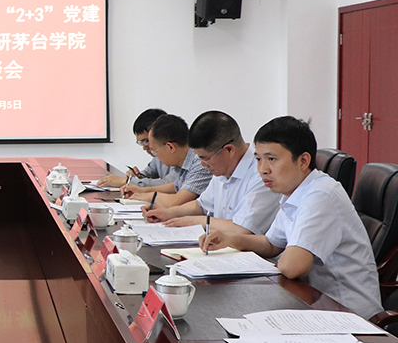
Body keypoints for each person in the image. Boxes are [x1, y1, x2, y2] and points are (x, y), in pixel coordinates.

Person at [202, 116, 382, 319]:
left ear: (303, 161)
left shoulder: (321, 194)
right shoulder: (294, 192)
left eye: (272, 159)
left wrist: (277, 260)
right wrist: (230, 239)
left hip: (350, 315)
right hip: (315, 302)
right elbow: (271, 244)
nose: (263, 169)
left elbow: (293, 267)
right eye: (258, 159)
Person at [144, 111, 278, 235]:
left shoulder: (262, 174)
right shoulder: (222, 169)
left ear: (229, 150)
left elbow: (243, 229)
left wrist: (195, 221)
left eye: (206, 158)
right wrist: (168, 213)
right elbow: (201, 205)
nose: (203, 164)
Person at [121, 114, 213, 209]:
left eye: (155, 151)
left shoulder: (200, 163)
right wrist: (142, 190)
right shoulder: (183, 161)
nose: (155, 156)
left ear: (170, 147)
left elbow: (176, 201)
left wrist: (147, 196)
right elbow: (176, 186)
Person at [97, 108, 183, 188]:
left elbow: (170, 184)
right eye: (141, 142)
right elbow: (148, 174)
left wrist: (128, 181)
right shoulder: (158, 156)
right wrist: (137, 176)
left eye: (147, 141)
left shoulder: (181, 156)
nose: (145, 148)